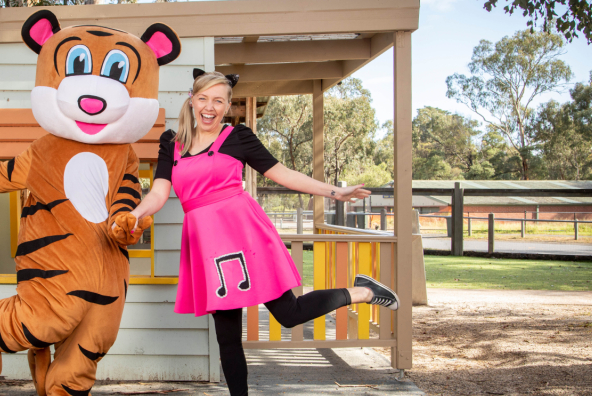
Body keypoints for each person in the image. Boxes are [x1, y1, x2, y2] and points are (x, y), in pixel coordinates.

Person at [113, 70, 400, 396]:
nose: (210, 107)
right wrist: (134, 215)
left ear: (227, 105)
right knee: (227, 337)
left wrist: (335, 192)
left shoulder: (238, 137)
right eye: (203, 98)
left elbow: (284, 175)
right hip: (207, 245)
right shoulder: (172, 143)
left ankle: (362, 291)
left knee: (289, 315)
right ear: (191, 101)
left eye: (218, 101)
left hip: (243, 236)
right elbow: (159, 194)